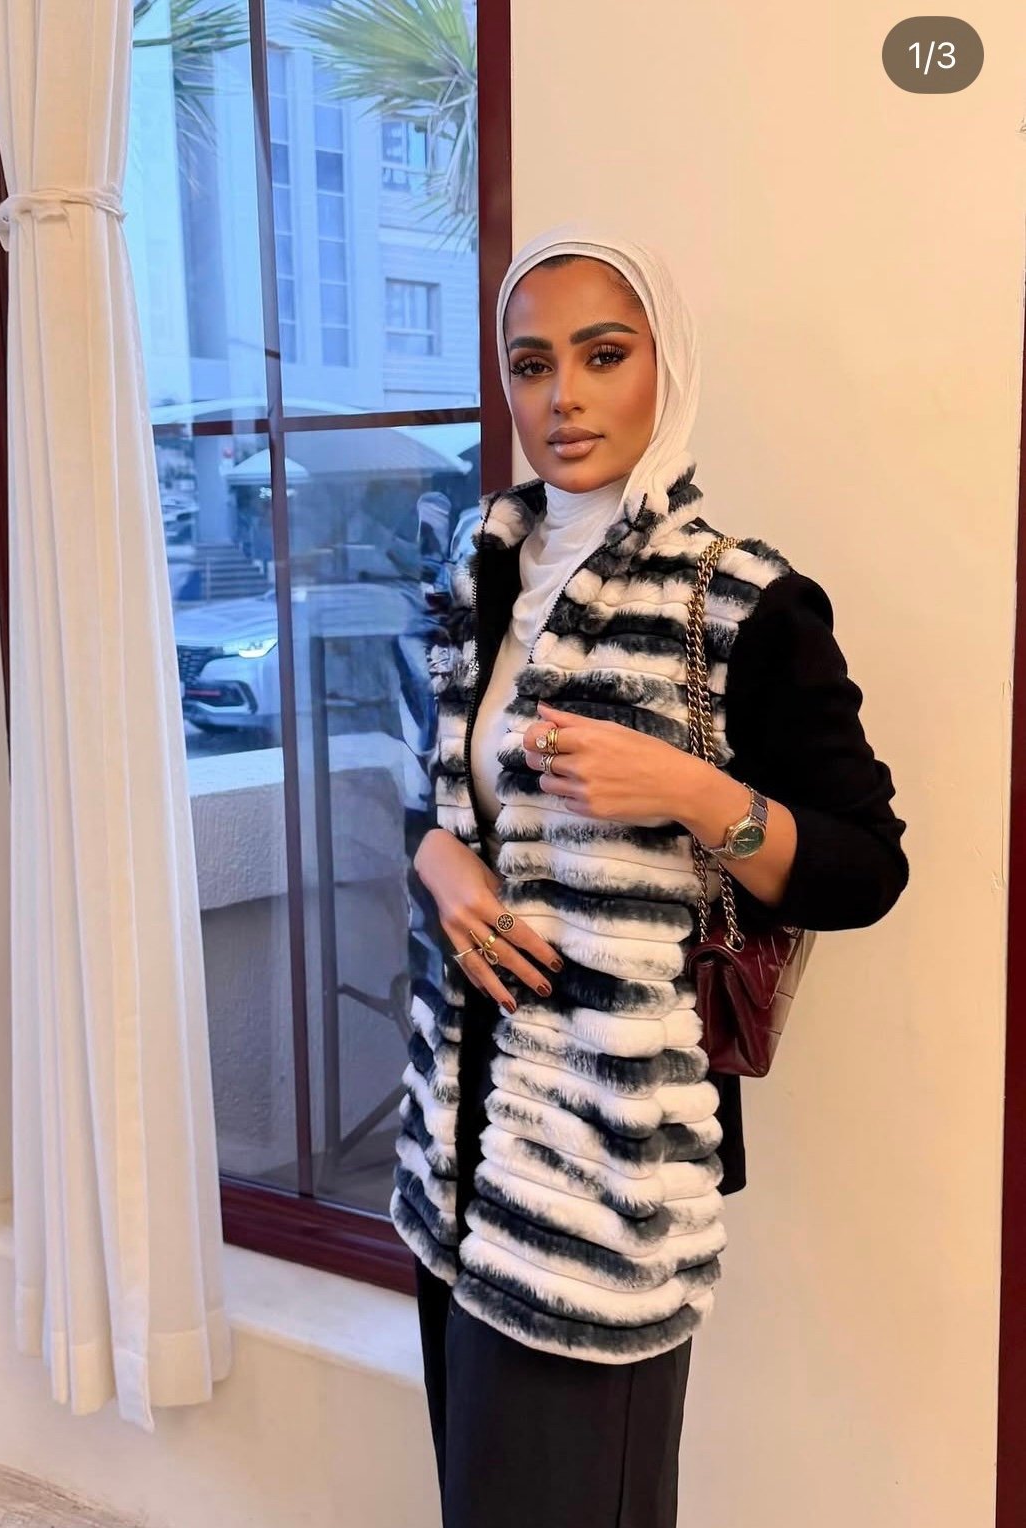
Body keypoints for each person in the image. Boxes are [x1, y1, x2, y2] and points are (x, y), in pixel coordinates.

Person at [388, 224, 910, 1528]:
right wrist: (438, 863)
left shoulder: (739, 602)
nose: (563, 397)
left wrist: (691, 791)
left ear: (663, 364)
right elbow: (441, 806)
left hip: (604, 1157)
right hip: (456, 1131)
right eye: (532, 364)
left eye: (603, 355)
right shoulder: (477, 577)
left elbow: (866, 865)